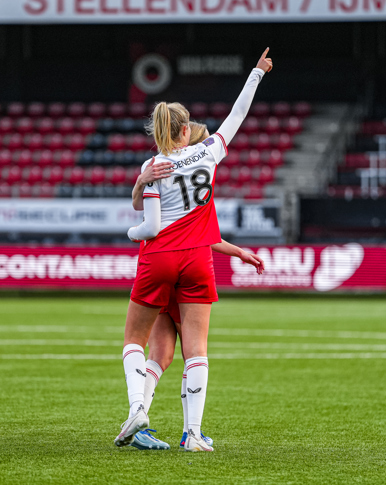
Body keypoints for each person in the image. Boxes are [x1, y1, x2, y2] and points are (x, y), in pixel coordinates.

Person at [116, 48, 272, 452]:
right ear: (186, 130)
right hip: (198, 259)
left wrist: (131, 232)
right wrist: (256, 73)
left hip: (159, 258)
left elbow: (150, 226)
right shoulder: (209, 151)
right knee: (194, 350)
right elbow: (238, 114)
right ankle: (193, 434)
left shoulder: (153, 166)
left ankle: (138, 409)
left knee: (135, 341)